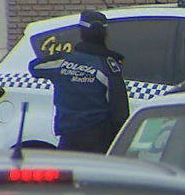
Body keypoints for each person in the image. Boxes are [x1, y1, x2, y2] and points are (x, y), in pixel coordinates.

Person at [29, 10, 129, 152]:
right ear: (105, 34)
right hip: (99, 142)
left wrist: (67, 54)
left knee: (68, 174)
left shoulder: (62, 62)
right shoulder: (108, 67)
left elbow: (35, 67)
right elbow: (120, 113)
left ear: (81, 32)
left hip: (68, 141)